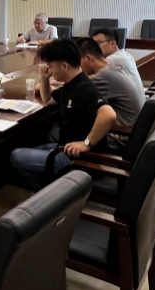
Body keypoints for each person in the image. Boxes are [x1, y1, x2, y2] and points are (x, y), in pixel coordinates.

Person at [10, 39, 117, 191]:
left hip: (76, 157)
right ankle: (51, 189)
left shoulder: (83, 88)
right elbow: (47, 100)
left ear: (65, 66)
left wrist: (86, 143)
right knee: (29, 146)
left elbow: (109, 114)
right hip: (64, 146)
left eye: (51, 66)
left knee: (16, 155)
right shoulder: (71, 83)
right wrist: (45, 78)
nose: (49, 69)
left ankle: (50, 195)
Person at [79, 38, 144, 152]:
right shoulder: (112, 66)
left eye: (77, 62)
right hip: (133, 132)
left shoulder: (103, 76)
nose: (77, 66)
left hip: (119, 137)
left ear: (89, 58)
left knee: (66, 130)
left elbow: (77, 93)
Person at [92, 28, 144, 95]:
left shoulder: (113, 59)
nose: (93, 47)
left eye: (98, 43)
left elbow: (93, 77)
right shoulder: (125, 54)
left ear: (112, 44)